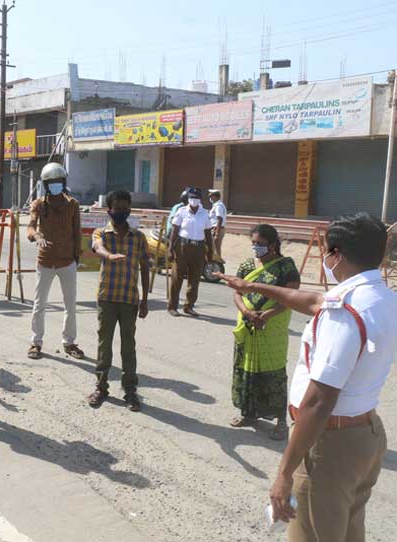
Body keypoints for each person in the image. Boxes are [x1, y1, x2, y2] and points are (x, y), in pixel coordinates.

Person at [217, 213, 397, 542]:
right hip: (366, 434)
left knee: (310, 535)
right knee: (347, 531)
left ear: (336, 255)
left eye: (327, 251)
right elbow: (315, 301)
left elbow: (318, 401)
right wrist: (251, 285)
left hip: (330, 444)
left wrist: (284, 473)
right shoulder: (383, 298)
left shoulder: (345, 312)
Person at [230, 225, 300, 440]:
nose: (256, 248)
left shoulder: (286, 266)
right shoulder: (247, 265)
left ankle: (281, 422)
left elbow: (291, 295)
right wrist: (246, 312)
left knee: (273, 373)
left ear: (272, 244)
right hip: (248, 324)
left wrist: (267, 315)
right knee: (247, 369)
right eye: (253, 243)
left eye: (260, 244)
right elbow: (237, 293)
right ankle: (249, 414)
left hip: (272, 328)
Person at [88, 190, 149, 411]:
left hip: (130, 299)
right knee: (104, 345)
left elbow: (145, 267)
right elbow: (97, 247)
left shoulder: (139, 238)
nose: (122, 212)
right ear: (109, 210)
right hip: (107, 298)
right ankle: (101, 387)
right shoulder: (101, 233)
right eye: (118, 208)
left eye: (126, 208)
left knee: (128, 347)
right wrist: (108, 255)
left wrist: (145, 300)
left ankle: (130, 390)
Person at [26, 162, 84, 360]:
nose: (55, 185)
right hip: (45, 261)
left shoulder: (73, 205)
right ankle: (36, 342)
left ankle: (69, 342)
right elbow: (31, 227)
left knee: (70, 305)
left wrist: (77, 257)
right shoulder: (39, 204)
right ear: (45, 184)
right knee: (39, 304)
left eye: (58, 181)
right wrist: (37, 237)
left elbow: (77, 233)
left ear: (64, 182)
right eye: (51, 182)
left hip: (67, 261)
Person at [168, 187, 213, 317]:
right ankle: (172, 306)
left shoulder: (205, 213)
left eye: (196, 198)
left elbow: (208, 233)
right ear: (188, 198)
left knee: (195, 279)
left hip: (198, 248)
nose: (194, 200)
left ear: (200, 199)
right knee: (177, 278)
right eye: (192, 197)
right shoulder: (181, 211)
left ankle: (189, 306)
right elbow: (174, 231)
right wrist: (170, 249)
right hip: (182, 247)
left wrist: (210, 251)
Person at [209, 189, 227, 262]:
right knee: (217, 248)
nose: (210, 198)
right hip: (218, 228)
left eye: (211, 196)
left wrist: (216, 233)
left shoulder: (218, 206)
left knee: (214, 248)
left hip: (217, 228)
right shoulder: (218, 205)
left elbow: (219, 219)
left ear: (215, 196)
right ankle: (218, 262)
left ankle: (217, 263)